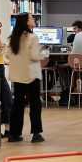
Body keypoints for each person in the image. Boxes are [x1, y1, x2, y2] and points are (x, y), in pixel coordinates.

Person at [5, 12, 48, 143]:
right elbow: (34, 56)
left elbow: (7, 55)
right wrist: (45, 53)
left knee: (18, 104)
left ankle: (14, 134)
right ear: (25, 22)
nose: (33, 19)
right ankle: (36, 134)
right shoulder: (33, 37)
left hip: (17, 75)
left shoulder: (11, 38)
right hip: (31, 75)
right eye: (31, 18)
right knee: (35, 104)